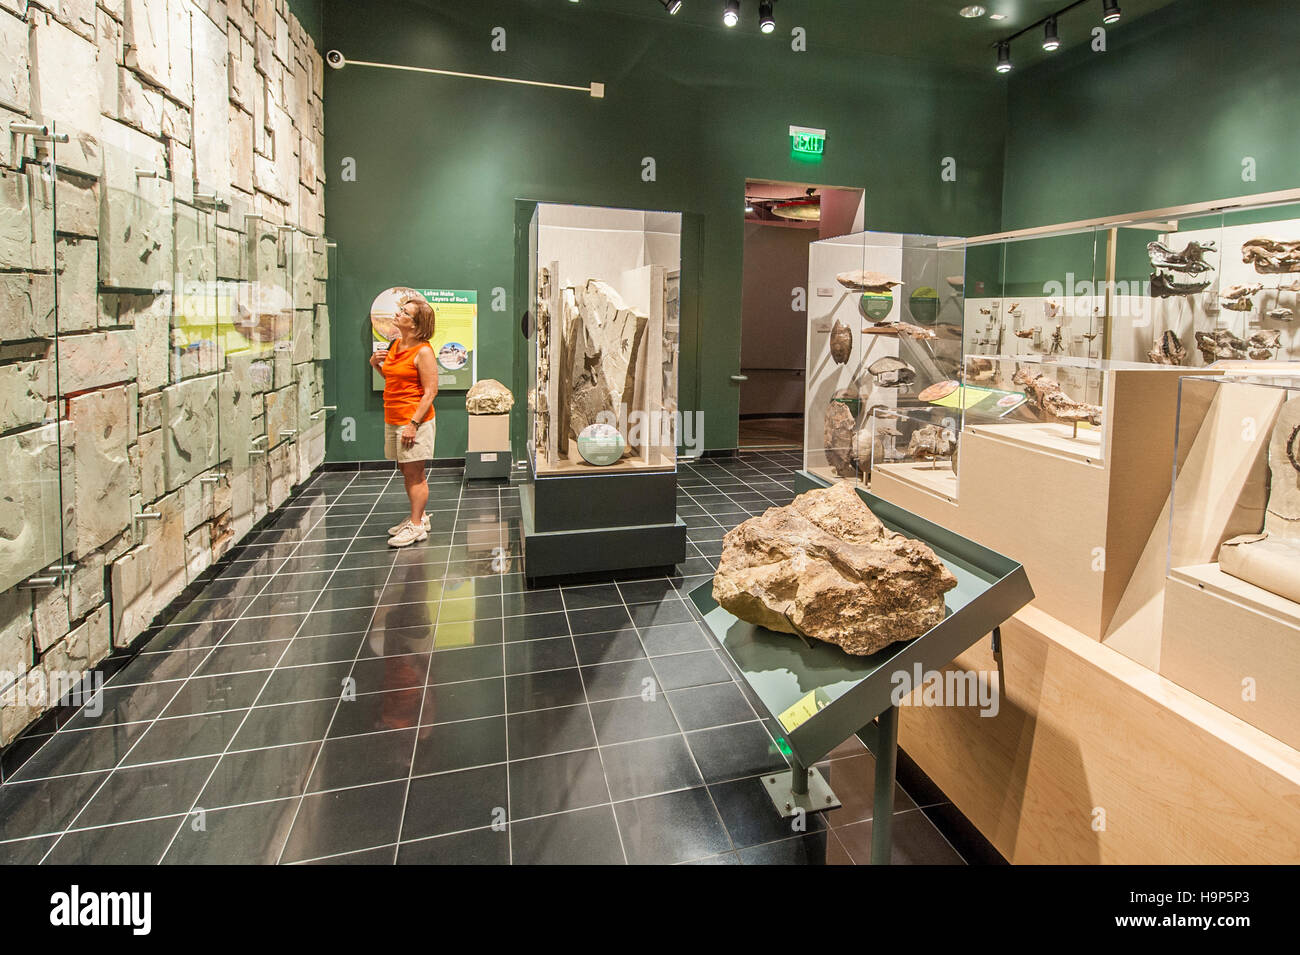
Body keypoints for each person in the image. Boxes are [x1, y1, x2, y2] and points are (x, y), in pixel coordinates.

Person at [370, 291, 438, 547]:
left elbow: (430, 392)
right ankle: (417, 517)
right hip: (395, 416)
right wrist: (376, 365)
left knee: (415, 473)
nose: (398, 314)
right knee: (406, 470)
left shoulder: (423, 352)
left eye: (405, 313)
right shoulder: (397, 345)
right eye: (401, 310)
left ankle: (417, 525)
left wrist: (413, 424)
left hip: (413, 421)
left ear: (417, 324)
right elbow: (394, 381)